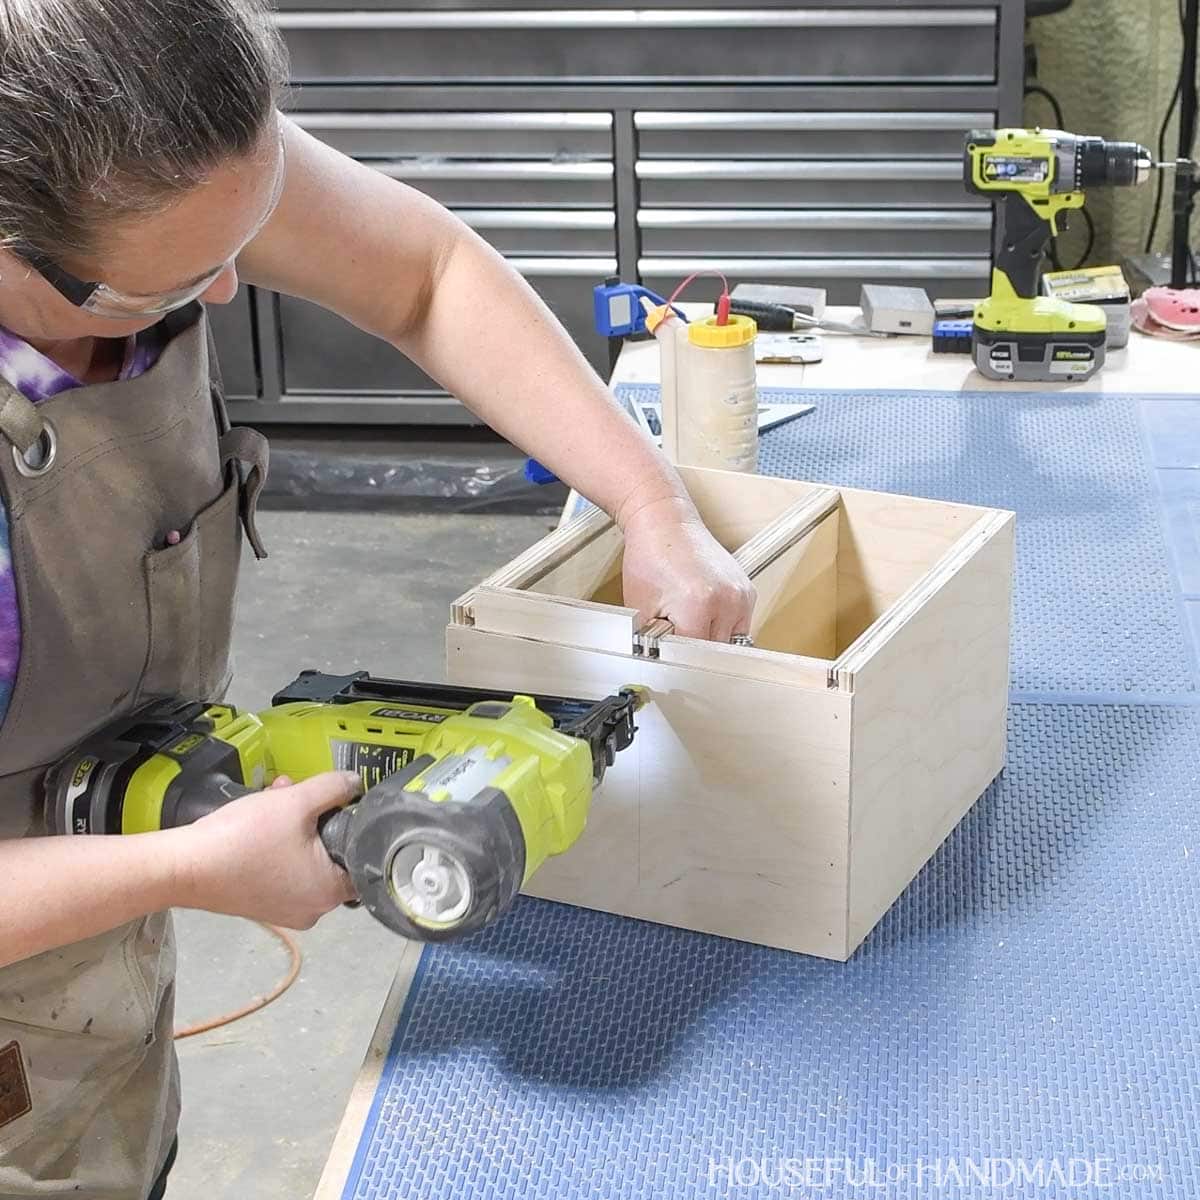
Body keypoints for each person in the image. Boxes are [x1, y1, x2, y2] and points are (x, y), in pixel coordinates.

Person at [0, 2, 755, 1196]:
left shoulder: (145, 139)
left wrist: (650, 507)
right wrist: (178, 872)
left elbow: (424, 271)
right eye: (173, 285)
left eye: (239, 235)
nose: (231, 291)